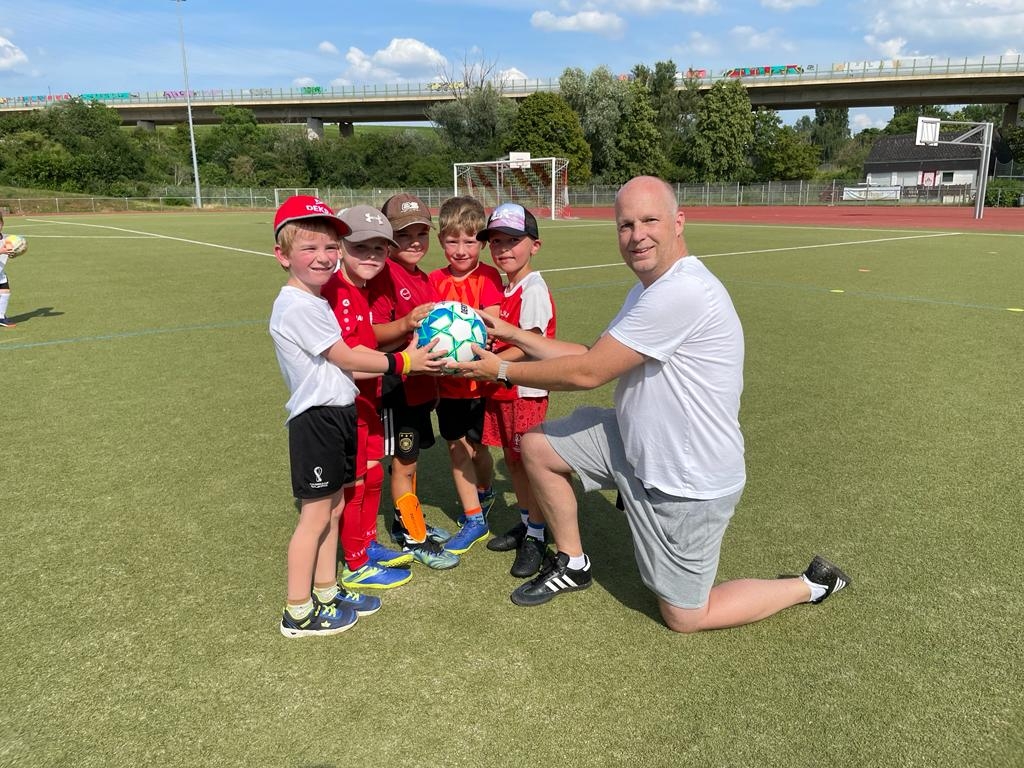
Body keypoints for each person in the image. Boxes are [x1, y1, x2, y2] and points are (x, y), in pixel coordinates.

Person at [453, 177, 850, 633]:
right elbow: (590, 353)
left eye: (649, 220)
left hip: (688, 477)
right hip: (635, 439)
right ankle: (573, 561)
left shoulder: (683, 290)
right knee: (538, 446)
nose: (636, 234)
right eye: (625, 225)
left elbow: (588, 374)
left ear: (678, 223)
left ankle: (809, 584)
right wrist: (515, 335)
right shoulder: (648, 289)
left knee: (685, 616)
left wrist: (499, 371)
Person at [269, 195, 442, 638]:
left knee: (335, 506)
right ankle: (298, 611)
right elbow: (345, 353)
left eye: (330, 248)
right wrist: (406, 362)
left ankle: (326, 592)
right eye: (311, 249)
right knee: (314, 517)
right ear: (282, 254)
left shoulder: (317, 299)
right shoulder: (299, 305)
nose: (324, 258)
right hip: (318, 418)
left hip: (340, 410)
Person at [321, 205, 413, 590]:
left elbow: (366, 339)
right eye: (361, 247)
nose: (372, 256)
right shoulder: (336, 291)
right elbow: (345, 362)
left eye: (379, 248)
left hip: (368, 401)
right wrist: (406, 362)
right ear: (341, 247)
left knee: (373, 471)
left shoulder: (359, 289)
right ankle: (356, 563)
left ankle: (367, 543)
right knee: (355, 481)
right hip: (345, 405)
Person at [369, 193, 459, 569]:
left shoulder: (423, 278)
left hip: (421, 388)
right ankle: (412, 537)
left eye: (421, 232)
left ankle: (406, 519)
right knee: (403, 463)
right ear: (389, 239)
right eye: (404, 234)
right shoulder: (383, 275)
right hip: (397, 389)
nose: (415, 241)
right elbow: (371, 335)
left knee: (411, 461)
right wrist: (406, 325)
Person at [474, 203, 557, 578]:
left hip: (526, 392)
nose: (503, 249)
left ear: (534, 246)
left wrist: (481, 364)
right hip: (504, 389)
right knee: (513, 462)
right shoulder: (508, 288)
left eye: (513, 240)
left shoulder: (533, 289)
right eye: (496, 242)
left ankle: (537, 537)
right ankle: (527, 523)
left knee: (528, 464)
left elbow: (531, 343)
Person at [427, 196, 503, 555]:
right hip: (448, 386)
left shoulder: (488, 277)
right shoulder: (433, 281)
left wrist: (470, 326)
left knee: (478, 450)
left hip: (480, 382)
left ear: (481, 243)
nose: (461, 249)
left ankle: (485, 492)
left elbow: (491, 323)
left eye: (470, 241)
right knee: (457, 449)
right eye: (453, 241)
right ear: (442, 241)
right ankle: (475, 519)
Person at [0, 211, 17, 328]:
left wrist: (14, 253)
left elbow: (8, 252)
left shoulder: (5, 238)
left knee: (5, 292)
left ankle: (1, 317)